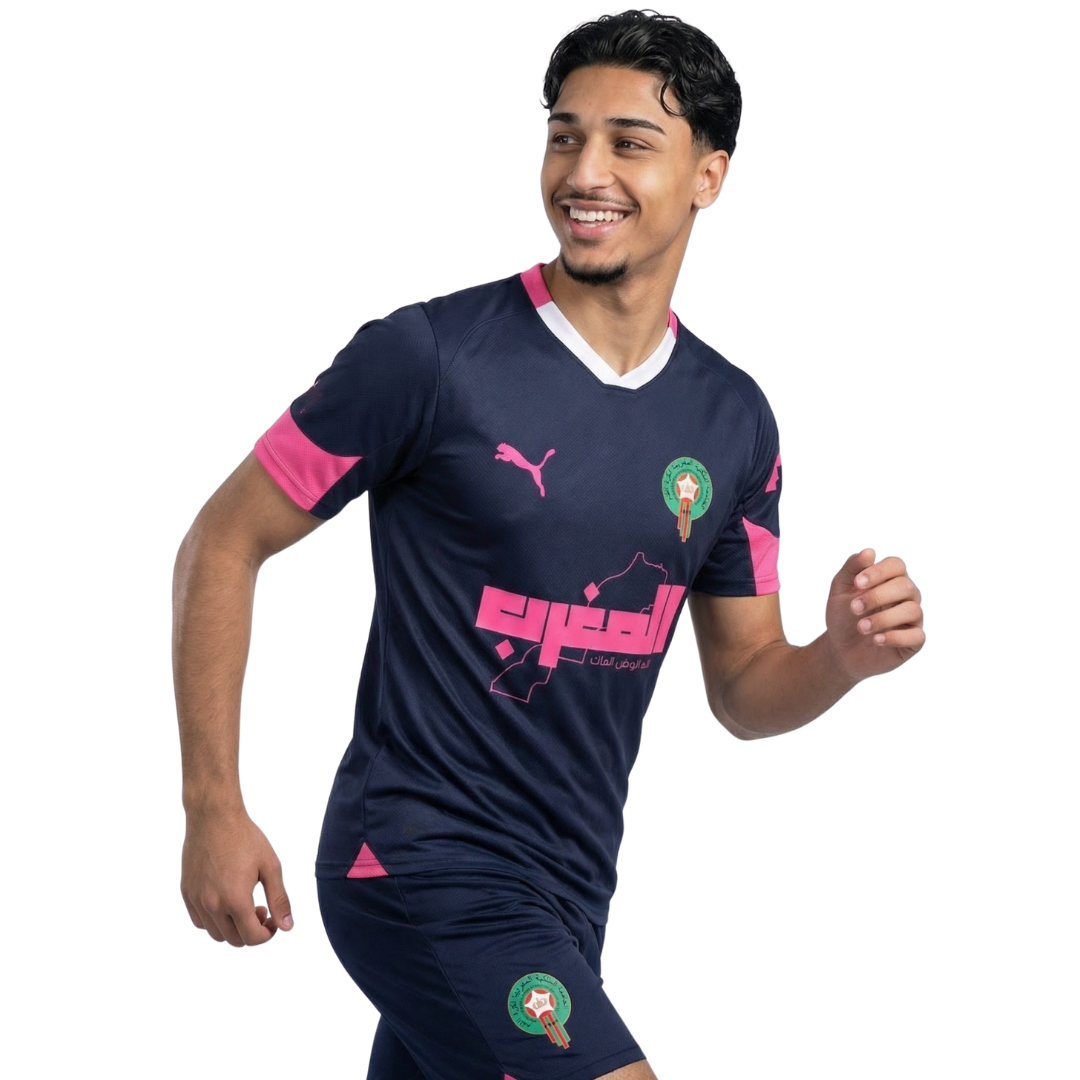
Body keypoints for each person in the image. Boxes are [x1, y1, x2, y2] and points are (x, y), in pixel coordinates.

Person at [173, 11, 925, 1079]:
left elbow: (745, 686)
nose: (584, 172)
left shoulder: (734, 422)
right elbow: (223, 539)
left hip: (569, 892)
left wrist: (840, 658)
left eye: (629, 142)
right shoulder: (427, 357)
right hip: (417, 861)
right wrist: (213, 805)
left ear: (709, 176)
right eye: (565, 136)